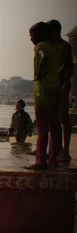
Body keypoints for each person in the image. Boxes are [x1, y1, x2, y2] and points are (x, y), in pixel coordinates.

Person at [27, 22, 62, 170]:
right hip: (55, 89)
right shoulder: (54, 48)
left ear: (40, 35)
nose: (30, 39)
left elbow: (43, 55)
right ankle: (53, 160)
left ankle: (40, 161)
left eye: (31, 35)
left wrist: (39, 73)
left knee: (42, 128)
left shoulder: (40, 46)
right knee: (54, 126)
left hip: (43, 92)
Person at [46, 19, 75, 161]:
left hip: (62, 85)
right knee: (52, 118)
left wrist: (64, 84)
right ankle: (54, 149)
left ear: (54, 31)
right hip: (51, 85)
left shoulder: (64, 46)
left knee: (63, 118)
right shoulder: (49, 46)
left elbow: (69, 66)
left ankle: (66, 151)